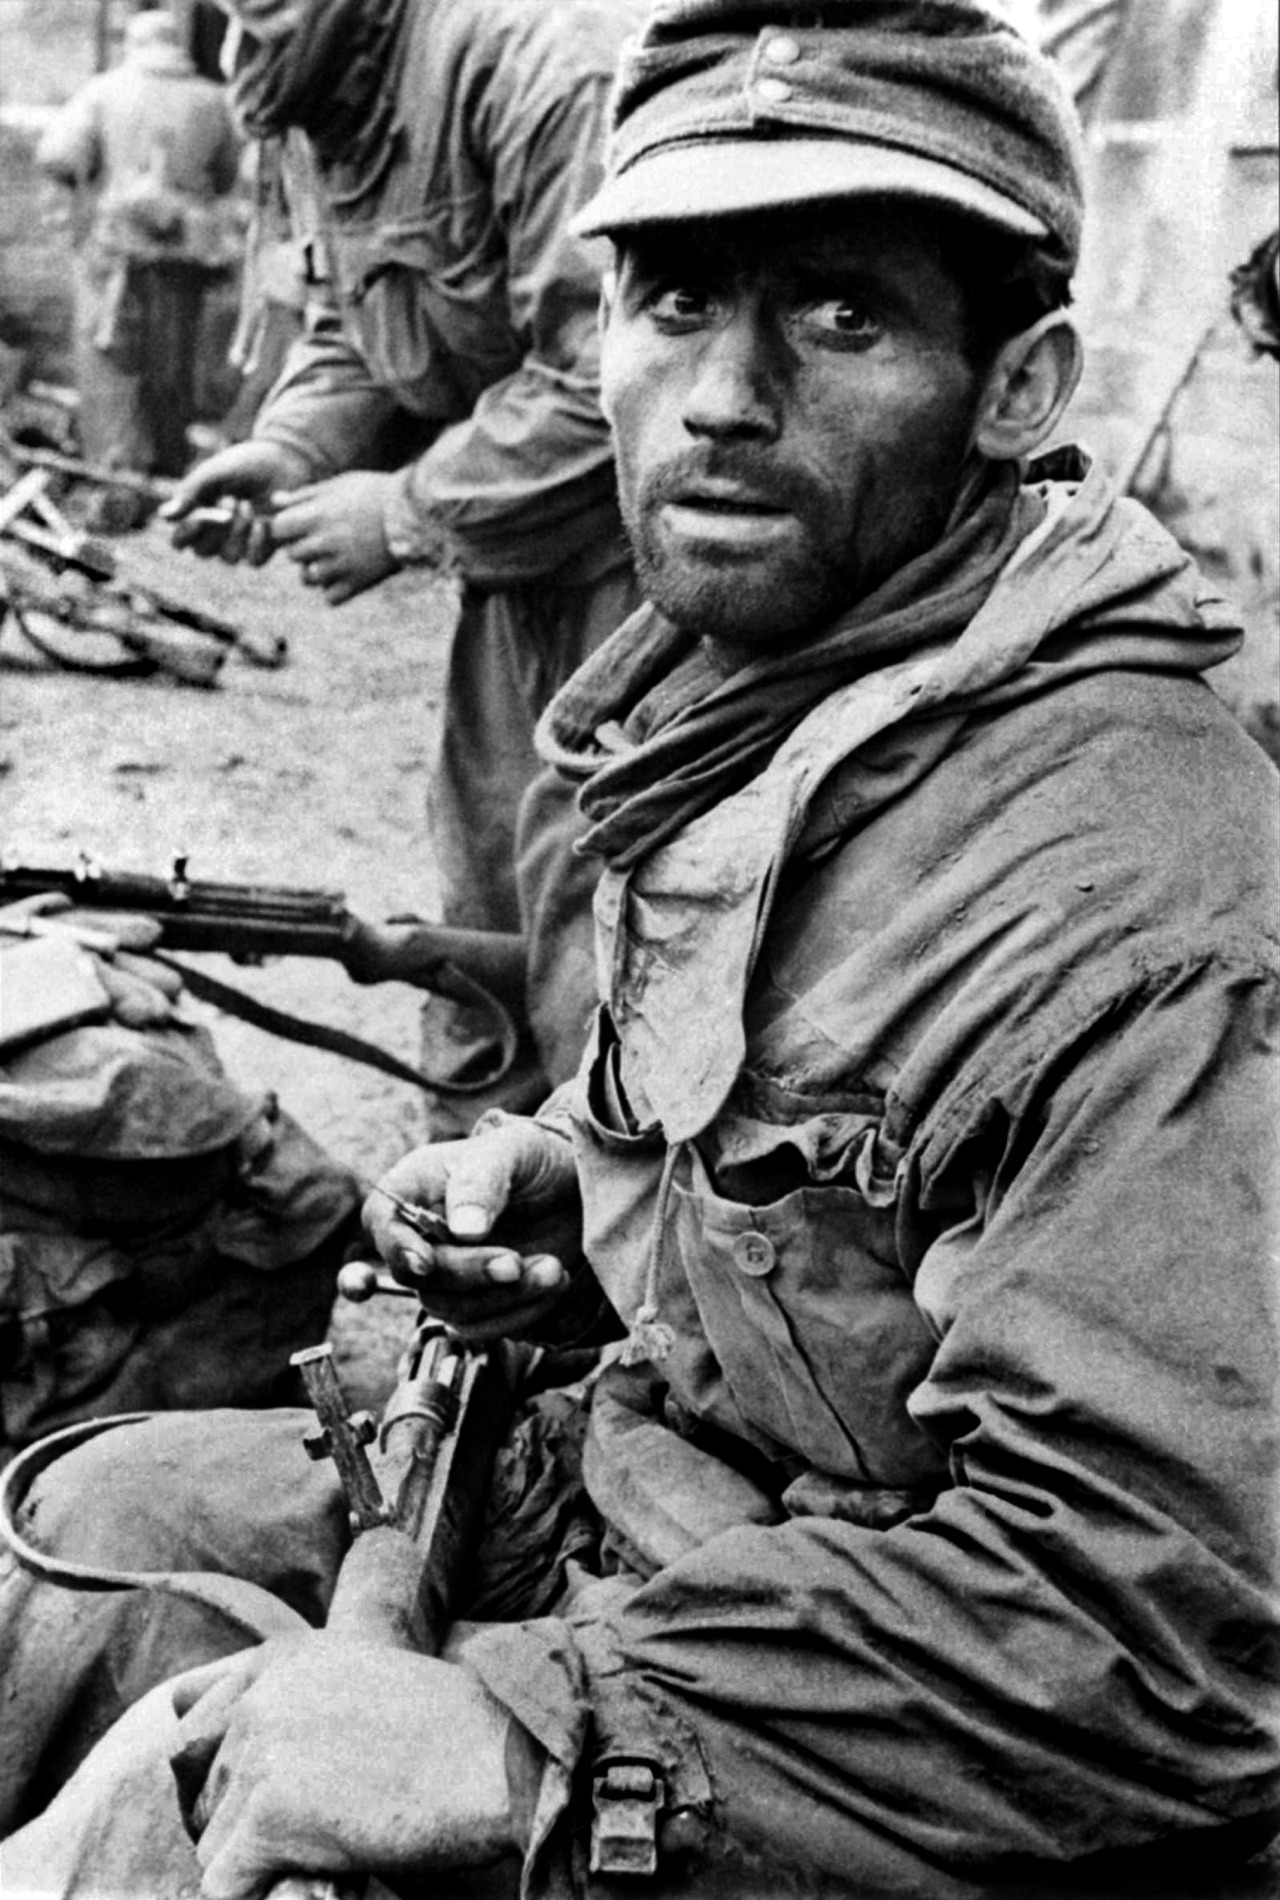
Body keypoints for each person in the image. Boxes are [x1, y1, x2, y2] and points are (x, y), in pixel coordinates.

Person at [2, 4, 1278, 1897]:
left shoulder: (1148, 908)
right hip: (641, 1481)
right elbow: (809, 1185)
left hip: (845, 1684)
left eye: (840, 317)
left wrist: (523, 1736)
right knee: (96, 1522)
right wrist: (581, 1203)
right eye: (672, 303)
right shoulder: (762, 704)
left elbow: (1177, 1632)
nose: (723, 394)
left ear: (1019, 386)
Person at [161, 0, 645, 1120]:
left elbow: (609, 382)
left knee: (608, 929)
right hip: (516, 569)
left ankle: (609, 1245)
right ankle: (477, 1225)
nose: (237, 52)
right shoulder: (308, 89)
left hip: (651, 580)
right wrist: (289, 452)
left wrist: (402, 512)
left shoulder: (538, 63)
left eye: (257, 16)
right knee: (490, 902)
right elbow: (349, 321)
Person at [35, 9, 243, 522]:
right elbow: (229, 176)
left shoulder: (105, 90)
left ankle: (117, 488)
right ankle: (170, 481)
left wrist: (78, 205)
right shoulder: (212, 99)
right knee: (171, 369)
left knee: (111, 369)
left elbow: (59, 154)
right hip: (183, 264)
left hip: (117, 259)